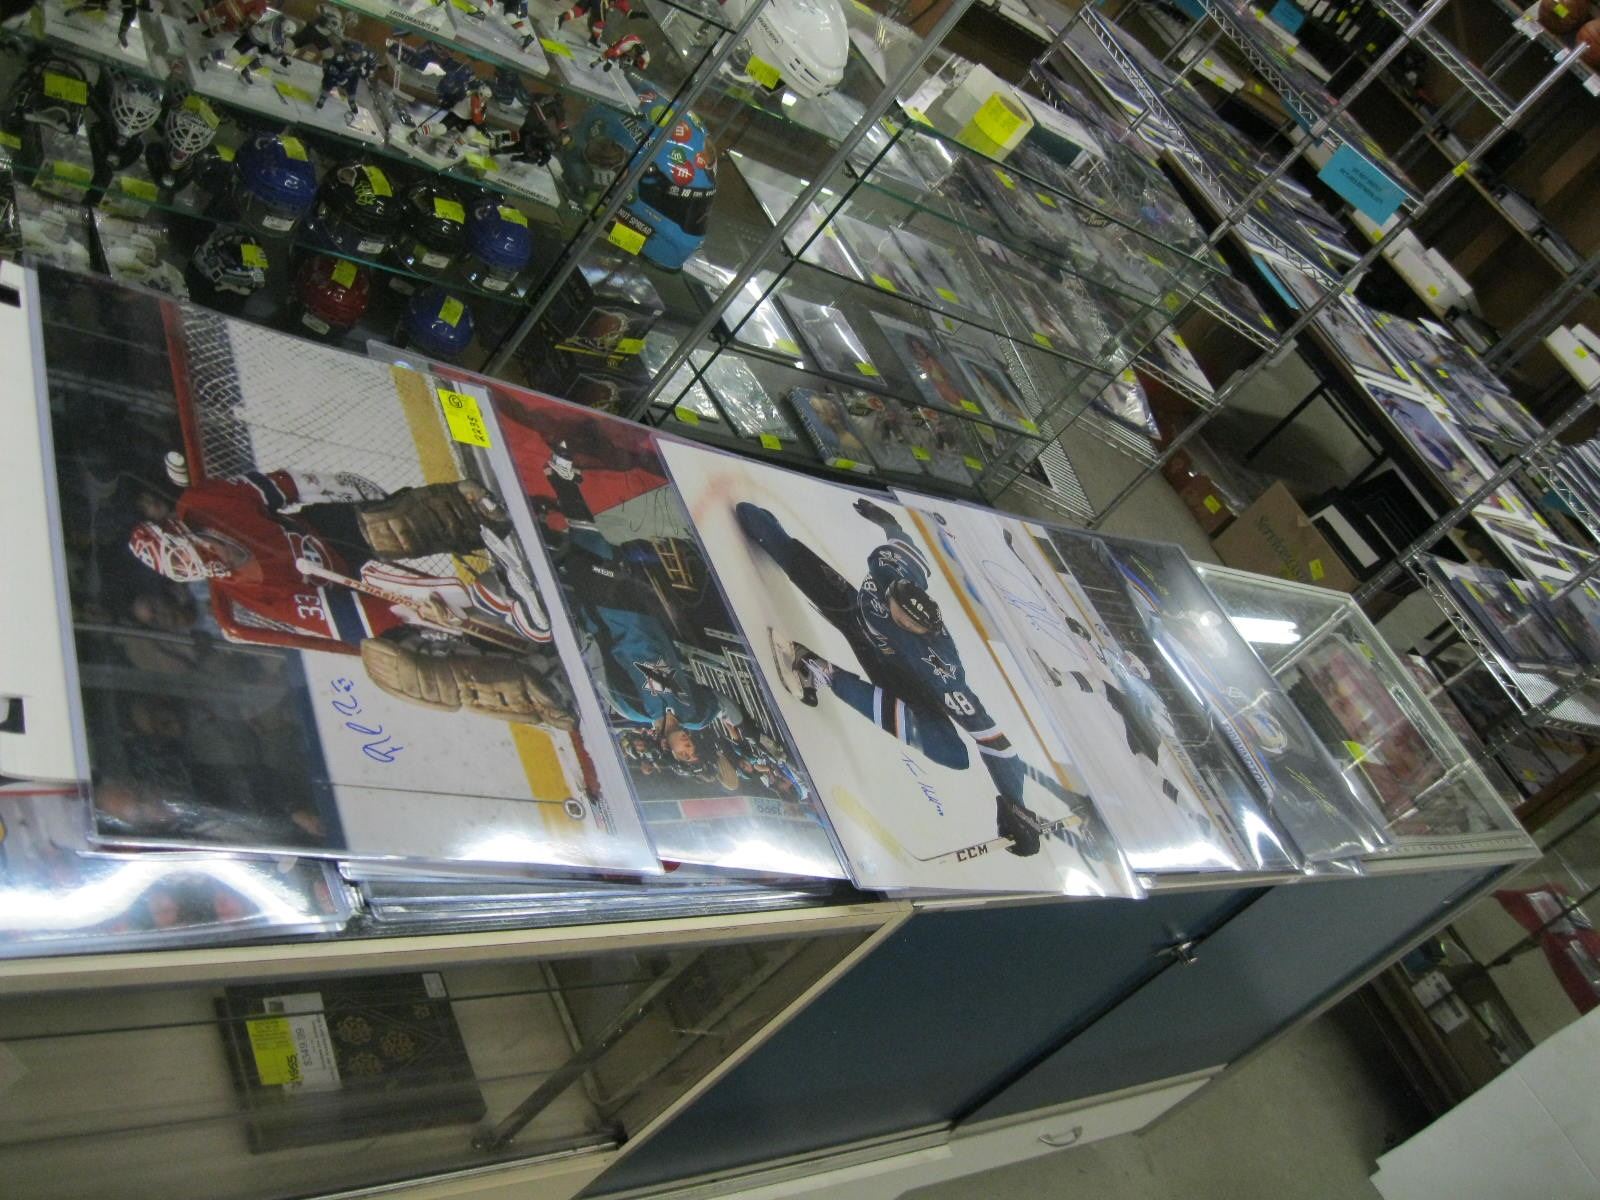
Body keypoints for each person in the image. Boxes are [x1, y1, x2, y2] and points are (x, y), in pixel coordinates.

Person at [736, 496, 1096, 857]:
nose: (906, 624)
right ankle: (784, 549)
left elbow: (990, 737)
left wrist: (1014, 801)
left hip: (907, 682)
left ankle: (818, 669)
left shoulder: (940, 668)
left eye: (913, 625)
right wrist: (888, 522)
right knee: (755, 520)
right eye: (901, 617)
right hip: (856, 615)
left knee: (953, 754)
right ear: (893, 592)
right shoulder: (893, 567)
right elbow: (903, 542)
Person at [126, 461, 572, 726]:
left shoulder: (204, 504)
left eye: (208, 547)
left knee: (388, 524)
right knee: (397, 667)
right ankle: (534, 680)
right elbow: (347, 617)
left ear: (184, 529)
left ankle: (475, 513)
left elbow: (284, 485)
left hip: (328, 532)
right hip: (339, 588)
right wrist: (416, 613)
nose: (221, 557)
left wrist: (341, 486)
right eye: (210, 565)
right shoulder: (254, 594)